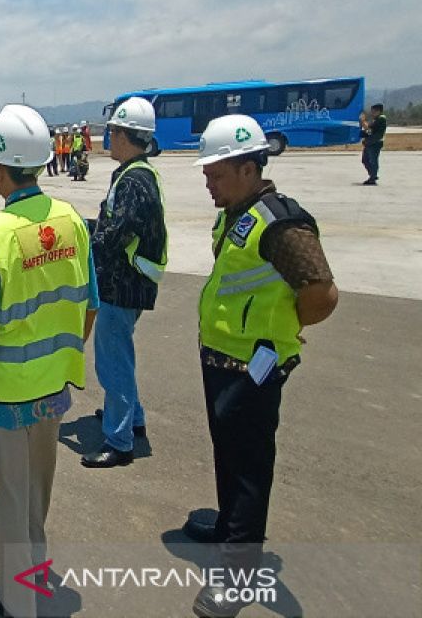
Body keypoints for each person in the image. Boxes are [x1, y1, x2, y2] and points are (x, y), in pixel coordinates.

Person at [184, 114, 338, 618]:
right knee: (228, 452)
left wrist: (276, 334)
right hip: (223, 360)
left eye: (217, 174)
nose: (209, 183)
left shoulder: (281, 223)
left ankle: (240, 573)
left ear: (249, 168)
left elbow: (321, 294)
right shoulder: (236, 212)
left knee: (249, 466)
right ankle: (232, 528)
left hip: (255, 366)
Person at [0, 104, 98, 618]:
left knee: (6, 507)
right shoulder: (72, 221)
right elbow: (90, 304)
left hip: (3, 399)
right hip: (53, 391)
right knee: (36, 499)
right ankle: (32, 580)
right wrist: (60, 358)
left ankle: (18, 604)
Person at [81, 98, 168, 468]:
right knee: (122, 356)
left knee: (112, 361)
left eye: (112, 131)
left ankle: (119, 442)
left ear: (125, 135)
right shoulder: (138, 173)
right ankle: (132, 418)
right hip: (133, 282)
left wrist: (82, 234)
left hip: (123, 283)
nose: (107, 138)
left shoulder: (133, 180)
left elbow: (115, 235)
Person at [360, 103, 387, 185]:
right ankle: (373, 175)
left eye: (373, 111)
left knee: (373, 160)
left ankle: (373, 177)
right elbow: (369, 131)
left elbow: (370, 130)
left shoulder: (381, 119)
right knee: (365, 160)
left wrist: (363, 122)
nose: (372, 113)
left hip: (375, 143)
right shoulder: (376, 119)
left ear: (378, 111)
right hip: (370, 143)